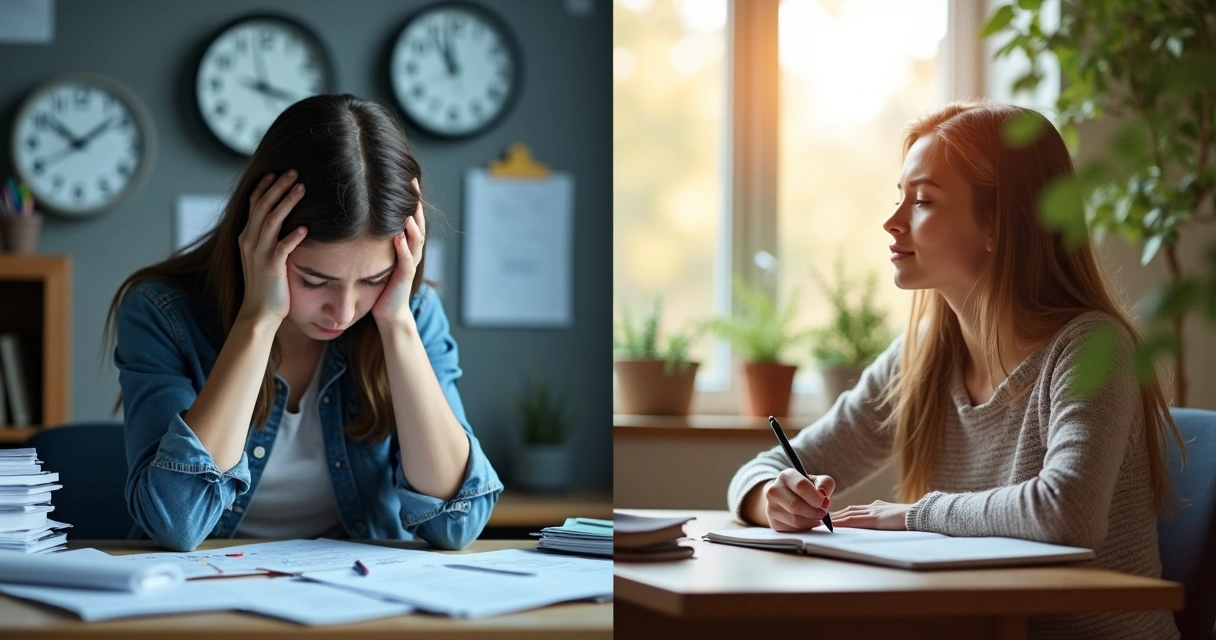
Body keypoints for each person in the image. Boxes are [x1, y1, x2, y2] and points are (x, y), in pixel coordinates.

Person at [728, 100, 1185, 639]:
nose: (892, 221)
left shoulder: (1092, 349)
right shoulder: (922, 357)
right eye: (900, 197)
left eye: (922, 201)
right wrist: (774, 499)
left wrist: (913, 514)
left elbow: (1069, 513)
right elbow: (762, 467)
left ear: (998, 223)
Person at [105, 94, 502, 552]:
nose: (345, 311)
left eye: (372, 279)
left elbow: (456, 525)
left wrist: (396, 322)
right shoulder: (161, 312)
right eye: (315, 281)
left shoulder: (412, 312)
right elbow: (177, 522)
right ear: (258, 238)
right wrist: (258, 319)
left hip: (357, 599)